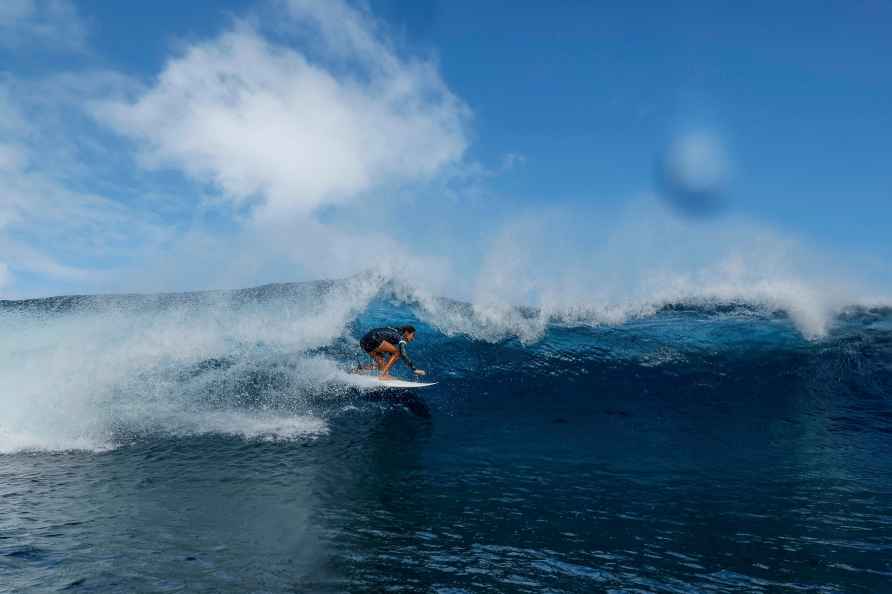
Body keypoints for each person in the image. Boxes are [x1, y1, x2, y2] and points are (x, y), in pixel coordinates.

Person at [359, 325, 426, 380]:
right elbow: (402, 353)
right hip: (374, 339)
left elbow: (385, 336)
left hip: (364, 341)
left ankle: (357, 370)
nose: (413, 338)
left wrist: (390, 355)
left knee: (381, 363)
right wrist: (414, 369)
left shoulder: (395, 330)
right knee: (398, 352)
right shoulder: (401, 338)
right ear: (407, 332)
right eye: (413, 335)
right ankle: (383, 375)